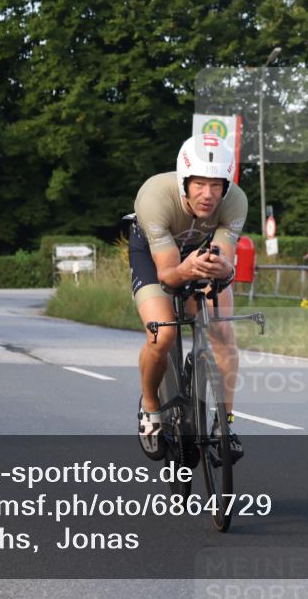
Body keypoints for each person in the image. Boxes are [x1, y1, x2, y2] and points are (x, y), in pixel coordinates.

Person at [130, 133, 247, 462]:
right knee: (162, 334)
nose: (208, 195)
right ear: (184, 182)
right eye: (199, 184)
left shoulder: (236, 200)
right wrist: (186, 269)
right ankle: (150, 407)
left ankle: (224, 425)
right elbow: (168, 275)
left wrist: (224, 270)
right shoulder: (155, 196)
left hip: (199, 252)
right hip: (154, 256)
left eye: (216, 186)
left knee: (222, 331)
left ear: (226, 186)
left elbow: (225, 261)